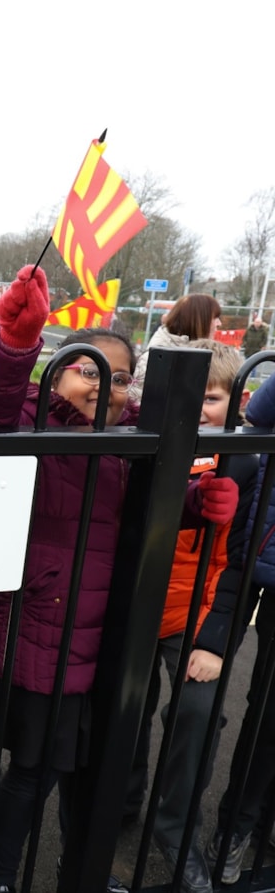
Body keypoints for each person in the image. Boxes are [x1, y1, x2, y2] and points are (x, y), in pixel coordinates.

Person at [0, 267, 227, 893]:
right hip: (45, 628)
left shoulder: (135, 433)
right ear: (57, 373)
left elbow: (143, 507)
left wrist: (195, 505)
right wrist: (14, 344)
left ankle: (80, 870)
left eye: (121, 376)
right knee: (34, 772)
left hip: (112, 636)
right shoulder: (29, 418)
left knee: (95, 771)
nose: (107, 385)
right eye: (90, 369)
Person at [123, 339, 251, 893]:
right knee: (126, 709)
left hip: (195, 613)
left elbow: (239, 562)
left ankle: (174, 828)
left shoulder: (246, 459)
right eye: (191, 395)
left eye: (213, 398)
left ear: (237, 402)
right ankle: (122, 799)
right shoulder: (138, 439)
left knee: (200, 713)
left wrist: (215, 641)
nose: (200, 408)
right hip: (132, 604)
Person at [206, 365, 275, 884]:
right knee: (262, 708)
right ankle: (235, 827)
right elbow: (259, 416)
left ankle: (250, 823)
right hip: (261, 552)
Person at [131, 294, 222, 401]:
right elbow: (139, 405)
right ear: (198, 320)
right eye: (215, 318)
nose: (219, 323)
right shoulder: (155, 359)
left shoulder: (199, 354)